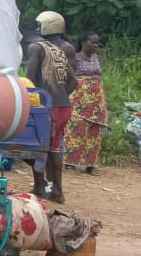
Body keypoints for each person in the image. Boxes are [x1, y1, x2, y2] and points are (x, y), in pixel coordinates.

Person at [24, 11, 77, 204]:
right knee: (54, 148)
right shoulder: (59, 50)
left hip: (45, 108)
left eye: (39, 25)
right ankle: (57, 191)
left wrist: (41, 100)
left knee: (37, 147)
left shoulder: (36, 48)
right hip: (63, 107)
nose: (37, 29)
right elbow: (73, 81)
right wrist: (60, 97)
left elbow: (30, 79)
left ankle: (40, 187)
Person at [64, 32, 108, 174]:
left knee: (95, 132)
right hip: (79, 100)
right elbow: (68, 77)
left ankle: (91, 164)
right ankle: (70, 163)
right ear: (83, 42)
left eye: (97, 43)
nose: (95, 45)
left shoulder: (96, 58)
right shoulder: (75, 58)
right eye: (92, 42)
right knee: (76, 130)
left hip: (96, 100)